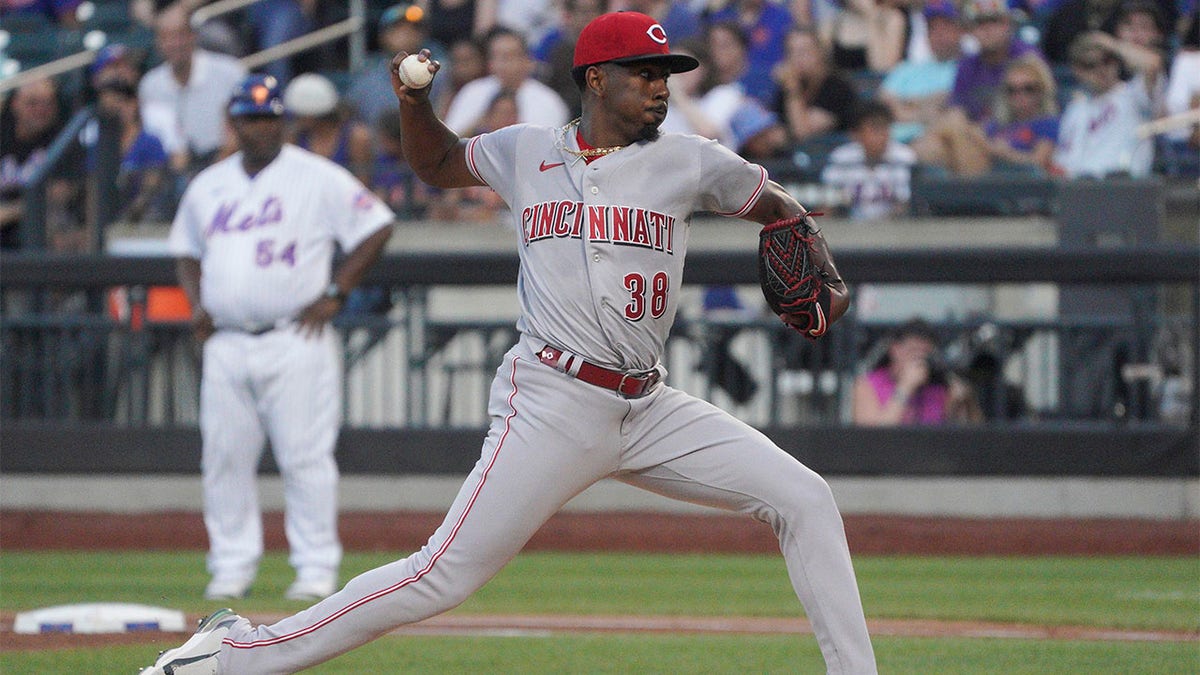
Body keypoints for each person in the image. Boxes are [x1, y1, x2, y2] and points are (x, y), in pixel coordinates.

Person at [142, 11, 877, 675]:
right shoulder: (524, 150)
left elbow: (776, 204)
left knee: (805, 498)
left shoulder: (690, 160)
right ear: (596, 78)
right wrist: (413, 103)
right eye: (645, 74)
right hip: (551, 400)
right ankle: (231, 654)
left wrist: (812, 249)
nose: (660, 88)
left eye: (667, 75)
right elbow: (435, 165)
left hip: (648, 405)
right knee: (440, 574)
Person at [164, 74, 394, 604]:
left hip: (296, 334)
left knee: (305, 457)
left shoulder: (316, 176)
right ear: (234, 121)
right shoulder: (210, 183)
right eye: (250, 116)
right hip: (226, 339)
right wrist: (197, 303)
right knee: (223, 458)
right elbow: (186, 248)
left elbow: (377, 225)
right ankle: (230, 566)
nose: (259, 126)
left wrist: (336, 290)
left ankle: (314, 568)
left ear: (284, 121)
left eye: (268, 117)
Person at [137, 4, 247, 177]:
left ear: (193, 36)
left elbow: (241, 131)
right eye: (166, 37)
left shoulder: (230, 73)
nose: (174, 44)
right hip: (173, 176)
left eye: (180, 35)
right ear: (158, 42)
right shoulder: (150, 85)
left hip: (227, 166)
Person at [915, 54, 1061, 175]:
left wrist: (1001, 152)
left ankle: (906, 157)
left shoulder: (1048, 123)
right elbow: (978, 135)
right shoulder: (999, 124)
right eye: (1012, 90)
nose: (1019, 95)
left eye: (1028, 88)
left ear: (1042, 89)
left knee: (955, 119)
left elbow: (1038, 163)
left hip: (1011, 180)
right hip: (984, 172)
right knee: (938, 144)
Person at [0, 77, 84, 251]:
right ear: (15, 103)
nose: (40, 110)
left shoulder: (65, 140)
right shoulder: (4, 136)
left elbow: (60, 195)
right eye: (32, 103)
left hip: (40, 227)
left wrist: (10, 212)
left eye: (48, 103)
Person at [1054, 33, 1154, 177]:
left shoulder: (1134, 94)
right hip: (1081, 187)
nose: (1101, 69)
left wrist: (1111, 44)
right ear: (1078, 70)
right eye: (1090, 65)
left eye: (1107, 61)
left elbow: (1152, 64)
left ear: (1116, 61)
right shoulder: (1075, 109)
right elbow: (1065, 159)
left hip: (1123, 184)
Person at [852, 318, 984, 425]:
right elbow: (872, 439)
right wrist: (905, 388)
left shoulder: (940, 387)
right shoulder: (867, 385)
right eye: (913, 351)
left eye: (925, 354)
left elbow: (971, 435)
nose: (919, 359)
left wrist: (964, 401)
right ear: (894, 349)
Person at [443, 26, 570, 134]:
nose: (501, 64)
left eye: (508, 56)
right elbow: (452, 140)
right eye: (495, 56)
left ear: (528, 60)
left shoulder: (548, 101)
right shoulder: (472, 91)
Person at [877, 0, 964, 144]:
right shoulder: (906, 68)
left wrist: (905, 104)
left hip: (936, 143)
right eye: (932, 28)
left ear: (960, 31)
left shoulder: (968, 68)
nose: (939, 34)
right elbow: (883, 102)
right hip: (890, 143)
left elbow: (946, 103)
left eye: (945, 27)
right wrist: (923, 108)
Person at [821, 100, 917, 219]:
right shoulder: (842, 158)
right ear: (857, 133)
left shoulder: (903, 157)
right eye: (875, 129)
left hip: (892, 230)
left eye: (885, 128)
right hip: (849, 229)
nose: (882, 135)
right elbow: (828, 204)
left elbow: (903, 205)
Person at [770, 26, 861, 144]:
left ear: (820, 52)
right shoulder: (786, 89)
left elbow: (803, 132)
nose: (797, 58)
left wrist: (793, 90)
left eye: (804, 51)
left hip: (835, 154)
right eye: (791, 52)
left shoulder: (837, 88)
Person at [283, 72, 375, 185]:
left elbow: (363, 184)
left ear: (314, 114)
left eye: (300, 115)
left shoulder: (356, 137)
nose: (296, 119)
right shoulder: (294, 138)